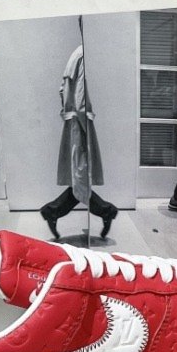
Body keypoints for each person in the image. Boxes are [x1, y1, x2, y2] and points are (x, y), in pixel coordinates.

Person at [40, 44, 118, 239]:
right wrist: (85, 128)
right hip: (80, 124)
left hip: (74, 122)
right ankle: (103, 210)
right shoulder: (82, 56)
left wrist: (68, 115)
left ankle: (55, 210)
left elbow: (62, 90)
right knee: (81, 177)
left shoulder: (74, 56)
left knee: (80, 177)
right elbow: (81, 101)